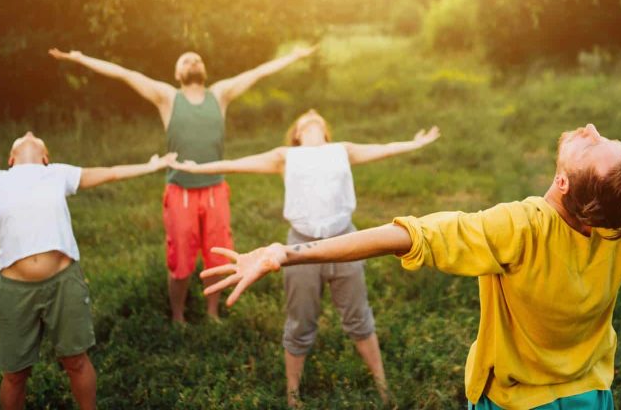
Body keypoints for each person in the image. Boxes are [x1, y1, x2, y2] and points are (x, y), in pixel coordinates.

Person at [198, 102, 621, 410]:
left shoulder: (519, 228)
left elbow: (404, 236)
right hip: (592, 395)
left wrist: (286, 253)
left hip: (515, 403)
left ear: (568, 185)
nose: (590, 129)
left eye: (590, 146)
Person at [170, 108, 440, 408]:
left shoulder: (342, 150)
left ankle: (383, 388)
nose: (312, 115)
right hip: (299, 247)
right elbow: (235, 164)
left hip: (346, 240)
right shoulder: (286, 156)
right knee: (300, 322)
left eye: (318, 118)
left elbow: (384, 149)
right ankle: (293, 397)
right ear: (297, 134)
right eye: (305, 119)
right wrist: (195, 169)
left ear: (325, 132)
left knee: (359, 317)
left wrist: (415, 144)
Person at [0, 131, 176, 410]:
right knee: (15, 374)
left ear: (45, 157)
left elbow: (111, 172)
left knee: (76, 360)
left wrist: (152, 165)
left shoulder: (59, 174)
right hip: (15, 291)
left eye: (36, 138)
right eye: (22, 138)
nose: (28, 133)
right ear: (10, 159)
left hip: (64, 283)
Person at [49, 45, 316, 323]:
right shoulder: (167, 97)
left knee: (219, 256)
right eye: (186, 60)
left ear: (204, 71)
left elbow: (258, 72)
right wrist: (81, 58)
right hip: (181, 193)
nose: (193, 61)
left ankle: (212, 313)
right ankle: (178, 317)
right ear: (178, 73)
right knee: (180, 261)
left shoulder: (220, 94)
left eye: (197, 58)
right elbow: (125, 74)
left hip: (215, 191)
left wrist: (293, 57)